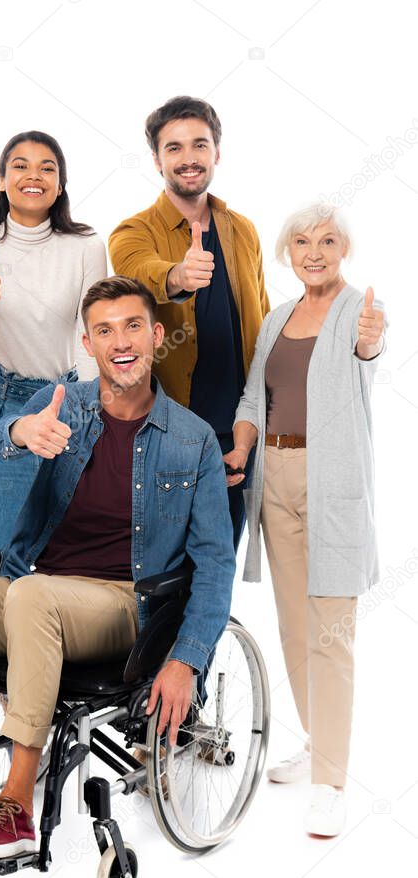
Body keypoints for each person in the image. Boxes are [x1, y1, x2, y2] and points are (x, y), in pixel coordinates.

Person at [0, 276, 235, 863]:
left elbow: (216, 563)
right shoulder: (64, 402)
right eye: (104, 330)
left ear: (156, 335)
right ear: (87, 344)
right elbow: (2, 432)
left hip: (123, 606)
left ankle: (15, 806)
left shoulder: (192, 441)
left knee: (31, 596)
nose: (120, 341)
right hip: (36, 594)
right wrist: (22, 429)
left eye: (133, 326)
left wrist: (187, 658)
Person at [223, 203, 387, 837]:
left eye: (325, 241)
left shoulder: (359, 311)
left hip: (333, 481)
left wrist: (371, 341)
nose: (313, 252)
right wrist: (240, 445)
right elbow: (250, 396)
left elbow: (369, 348)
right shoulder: (275, 320)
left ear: (343, 247)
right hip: (275, 478)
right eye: (300, 242)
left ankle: (331, 781)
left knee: (331, 630)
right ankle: (318, 742)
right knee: (294, 627)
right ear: (286, 252)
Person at [109, 95, 270, 550]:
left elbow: (262, 313)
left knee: (220, 556)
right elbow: (138, 270)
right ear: (157, 159)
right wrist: (179, 276)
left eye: (199, 145)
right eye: (174, 148)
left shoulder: (242, 230)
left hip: (239, 428)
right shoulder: (131, 231)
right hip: (168, 428)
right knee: (161, 560)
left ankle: (207, 625)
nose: (188, 158)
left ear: (216, 153)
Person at [0, 131, 107, 572]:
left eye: (47, 167)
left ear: (60, 185)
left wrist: (89, 415)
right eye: (20, 165)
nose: (33, 175)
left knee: (56, 568)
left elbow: (90, 333)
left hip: (65, 405)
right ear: (1, 179)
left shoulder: (86, 246)